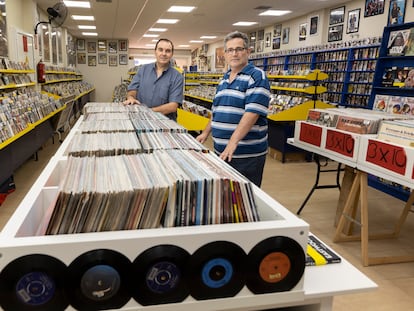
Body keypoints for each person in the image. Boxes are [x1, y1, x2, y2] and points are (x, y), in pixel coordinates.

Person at [196, 31, 271, 187]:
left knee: (244, 199)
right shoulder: (224, 78)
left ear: (248, 51)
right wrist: (205, 132)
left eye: (239, 49)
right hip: (222, 152)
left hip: (246, 155)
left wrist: (232, 142)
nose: (234, 54)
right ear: (225, 54)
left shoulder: (257, 77)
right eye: (230, 50)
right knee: (227, 197)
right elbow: (217, 110)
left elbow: (252, 113)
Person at [123, 38, 183, 120]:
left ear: (172, 54)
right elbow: (132, 89)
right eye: (160, 50)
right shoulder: (143, 70)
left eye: (168, 51)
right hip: (140, 120)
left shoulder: (177, 77)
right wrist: (131, 98)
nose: (164, 53)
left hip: (165, 124)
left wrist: (147, 112)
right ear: (155, 52)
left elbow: (173, 106)